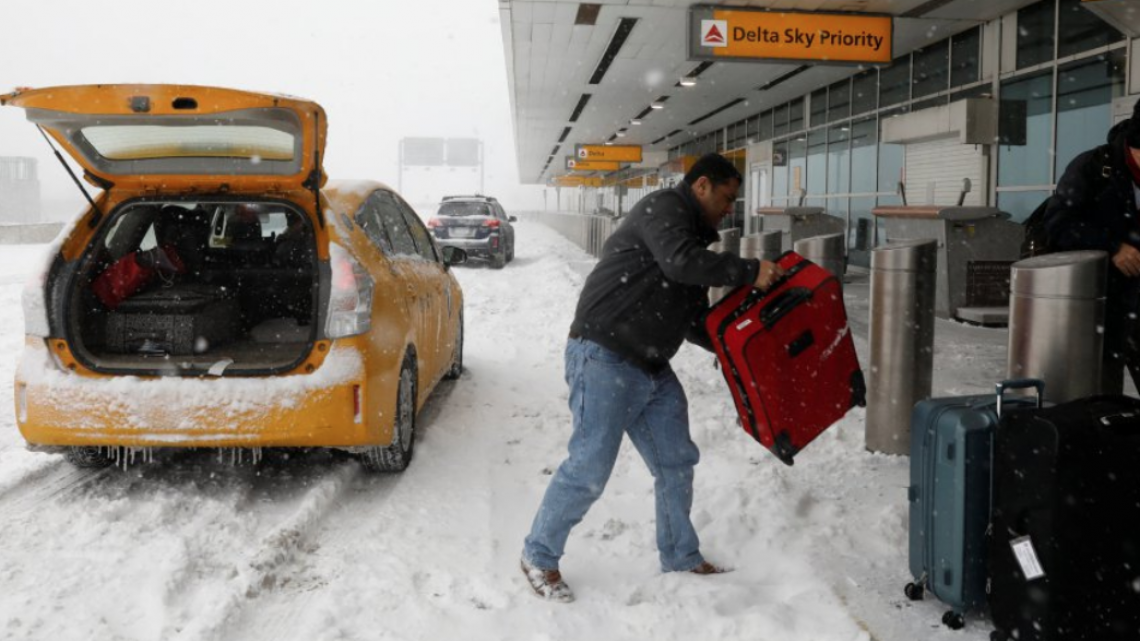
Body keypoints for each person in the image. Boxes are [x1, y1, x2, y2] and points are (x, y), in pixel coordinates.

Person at [520, 153, 784, 602]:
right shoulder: (663, 210)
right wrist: (748, 271)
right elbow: (680, 263)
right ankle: (538, 555)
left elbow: (691, 315)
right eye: (726, 197)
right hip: (603, 356)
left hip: (651, 366)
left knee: (676, 461)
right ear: (701, 186)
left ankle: (680, 555)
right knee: (589, 468)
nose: (729, 208)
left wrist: (736, 346)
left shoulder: (692, 236)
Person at [1045, 98, 1140, 394]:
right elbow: (1057, 224)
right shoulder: (1094, 167)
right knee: (1101, 402)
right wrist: (1113, 247)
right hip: (1099, 308)